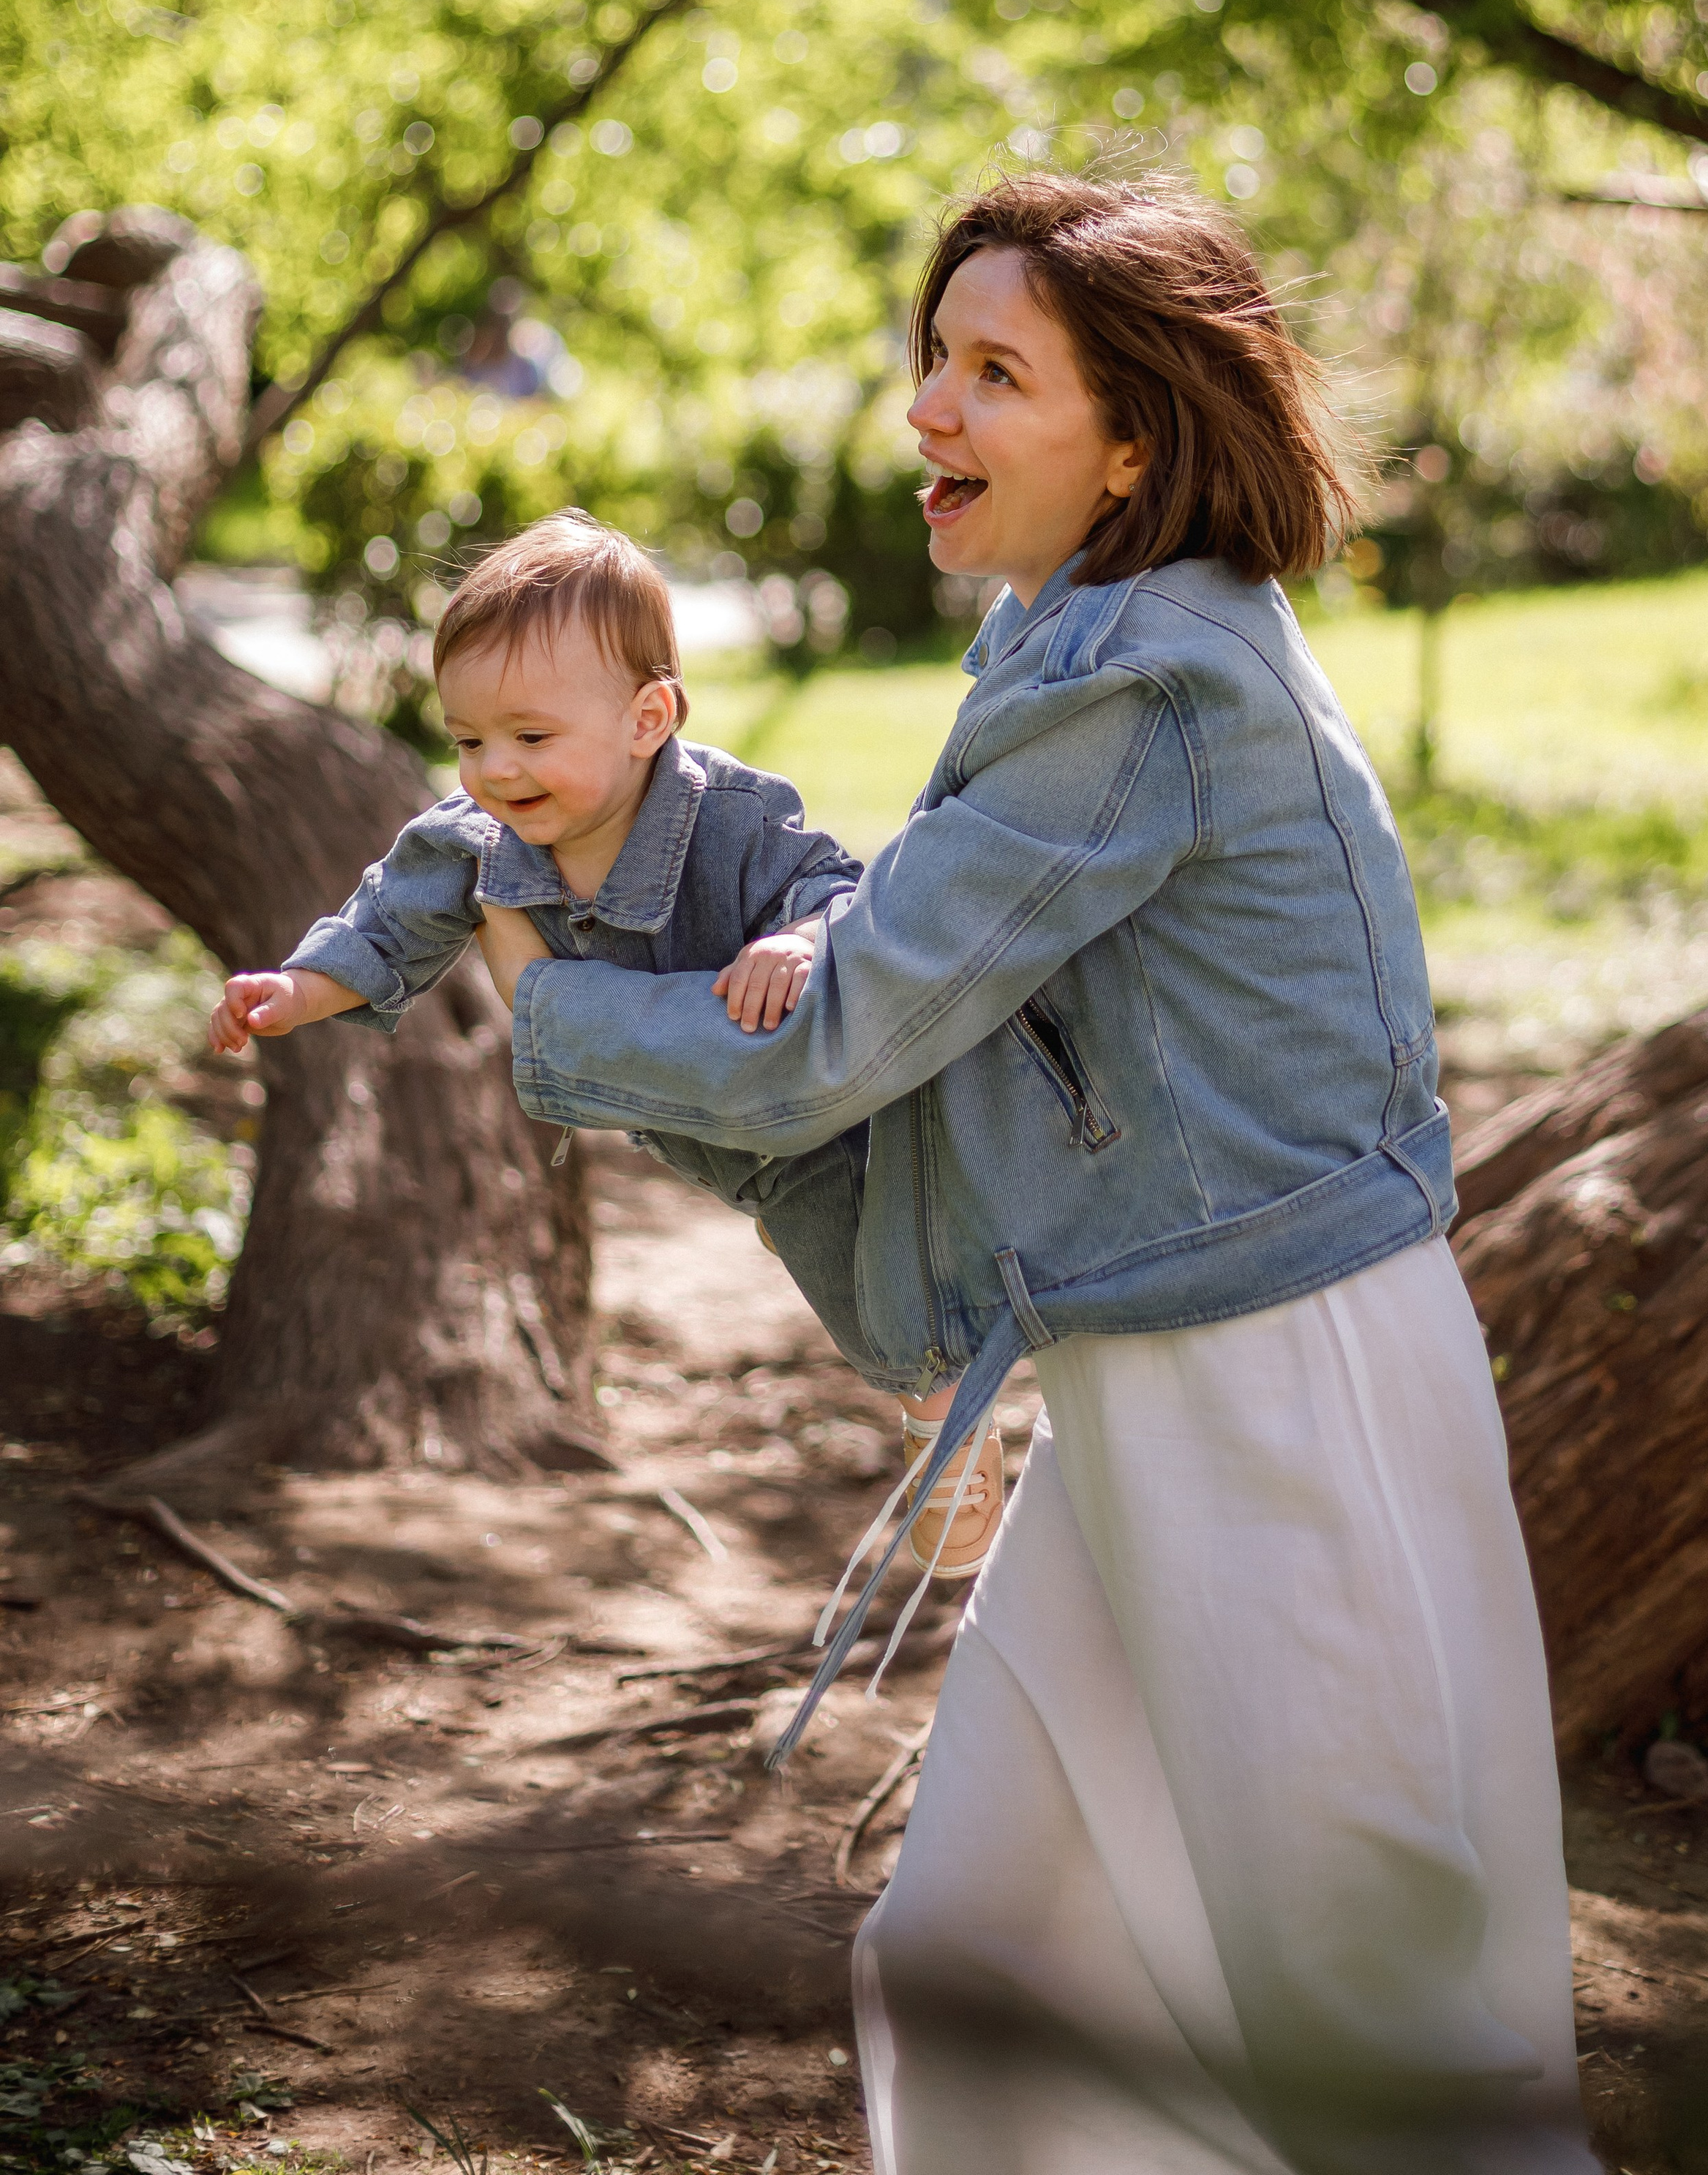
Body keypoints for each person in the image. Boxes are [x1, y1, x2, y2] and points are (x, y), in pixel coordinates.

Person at [473, 174, 1595, 2174]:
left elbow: (839, 1041)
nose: (929, 410)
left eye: (997, 373)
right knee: (991, 1946)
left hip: (1278, 1384)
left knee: (1373, 2011)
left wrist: (540, 995)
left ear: (1137, 438)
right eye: (935, 358)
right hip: (1152, 1362)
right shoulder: (1076, 635)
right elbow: (929, 957)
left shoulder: (1140, 677)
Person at [204, 511, 1006, 1579]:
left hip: (835, 1099)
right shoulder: (476, 838)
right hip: (719, 1133)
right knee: (825, 1248)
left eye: (531, 738)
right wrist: (299, 990)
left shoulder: (730, 818)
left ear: (649, 717)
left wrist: (803, 938)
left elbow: (836, 886)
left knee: (885, 1287)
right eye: (469, 739)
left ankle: (947, 1416)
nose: (495, 769)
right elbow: (388, 921)